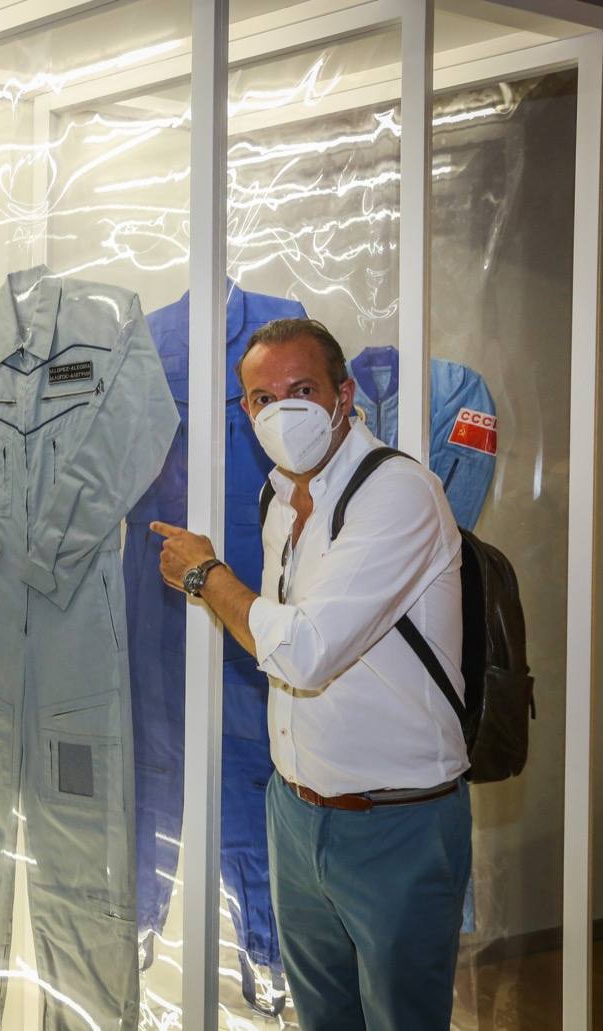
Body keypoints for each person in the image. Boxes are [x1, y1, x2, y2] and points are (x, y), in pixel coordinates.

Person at [151, 318, 471, 1031]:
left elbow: (305, 651)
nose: (282, 411)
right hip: (296, 814)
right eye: (263, 399)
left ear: (342, 396)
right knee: (324, 1018)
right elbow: (282, 644)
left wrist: (206, 574)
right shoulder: (281, 500)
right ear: (245, 412)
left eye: (301, 390)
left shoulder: (397, 492)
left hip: (396, 822)